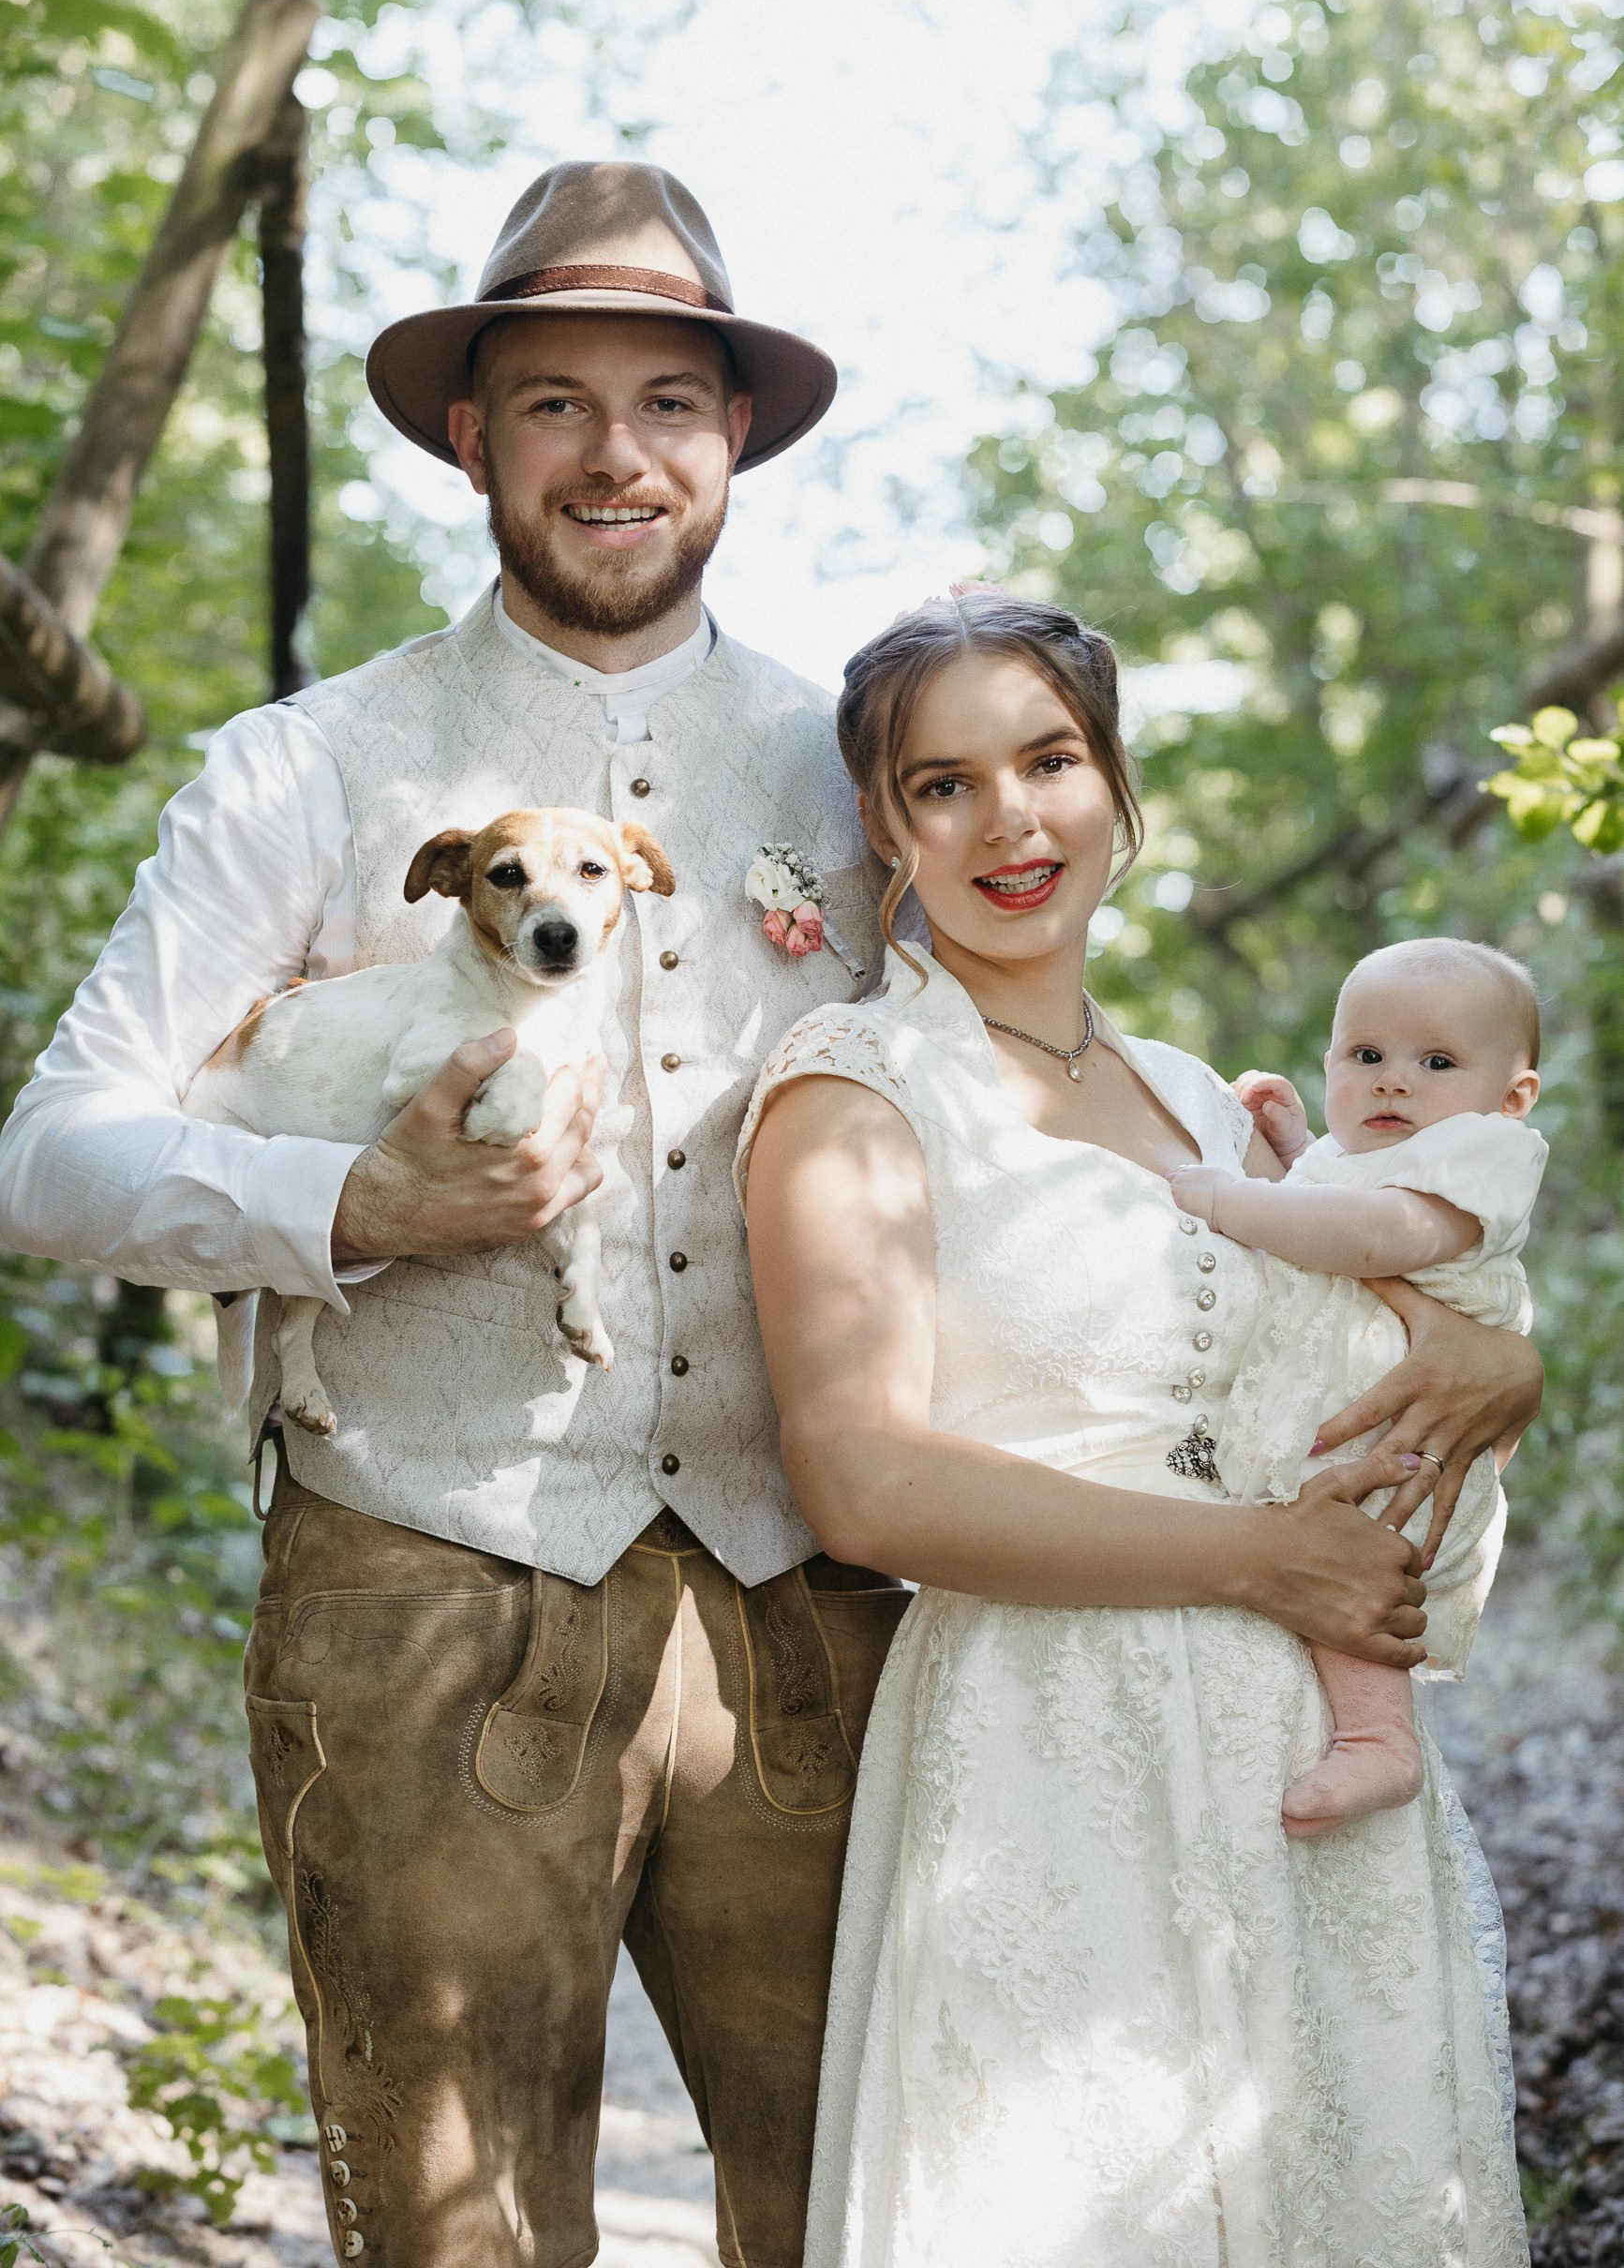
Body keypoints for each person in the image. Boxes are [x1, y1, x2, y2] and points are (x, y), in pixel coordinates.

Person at [0, 170, 1533, 2267]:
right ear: (470, 436)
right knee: (460, 2234)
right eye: (551, 401)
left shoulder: (865, 771)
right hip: (423, 1565)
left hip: (814, 1605)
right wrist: (346, 1192)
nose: (613, 453)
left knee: (882, 2201)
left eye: (666, 401)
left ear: (733, 439)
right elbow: (51, 1149)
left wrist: (1436, 1301)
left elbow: (1060, 1133)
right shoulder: (307, 770)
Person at [738, 590, 1532, 2267]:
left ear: (1111, 782)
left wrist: (1492, 1363)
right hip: (1047, 1745)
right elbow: (860, 1480)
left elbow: (1331, 1335)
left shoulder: (1193, 1089)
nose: (1009, 819)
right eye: (942, 785)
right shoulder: (854, 1085)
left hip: (1294, 1747)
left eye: (1048, 759)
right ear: (884, 826)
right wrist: (1263, 1562)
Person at [1168, 936, 1546, 1836]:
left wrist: (1226, 1198)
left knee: (1352, 1559)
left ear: (1511, 1097)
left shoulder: (1482, 1158)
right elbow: (1344, 1201)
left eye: (1435, 1061)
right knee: (1315, 1542)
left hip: (1406, 1443)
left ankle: (1380, 1740)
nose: (1392, 1081)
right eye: (1364, 1056)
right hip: (1347, 1420)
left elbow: (1374, 1235)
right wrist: (1298, 1145)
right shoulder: (1379, 1159)